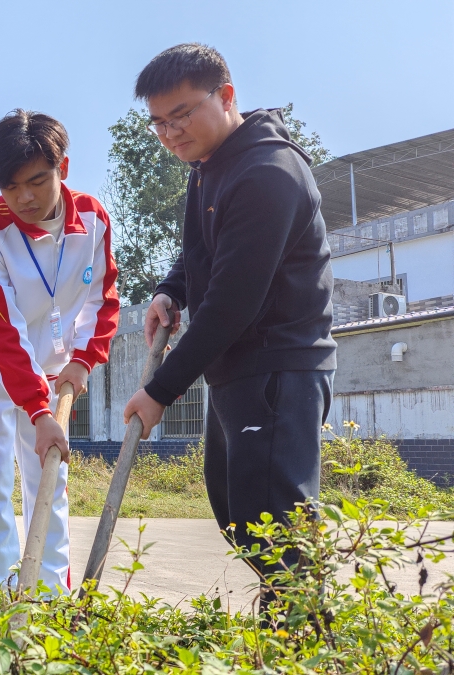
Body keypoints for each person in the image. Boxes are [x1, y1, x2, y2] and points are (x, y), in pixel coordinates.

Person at [121, 44, 336, 581]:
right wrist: (171, 291)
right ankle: (289, 644)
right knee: (243, 521)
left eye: (182, 114)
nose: (170, 132)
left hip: (277, 371)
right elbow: (206, 251)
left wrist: (158, 391)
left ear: (227, 96)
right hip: (241, 373)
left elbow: (233, 302)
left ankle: (305, 653)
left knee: (278, 535)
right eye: (158, 122)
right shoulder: (210, 166)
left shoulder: (267, 173)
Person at [0, 110, 119, 594]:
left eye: (37, 181)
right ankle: (3, 604)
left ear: (62, 167)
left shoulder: (92, 218)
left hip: (51, 370)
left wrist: (84, 360)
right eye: (10, 187)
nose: (23, 197)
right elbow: (1, 329)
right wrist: (37, 407)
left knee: (49, 482)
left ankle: (50, 598)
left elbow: (102, 297)